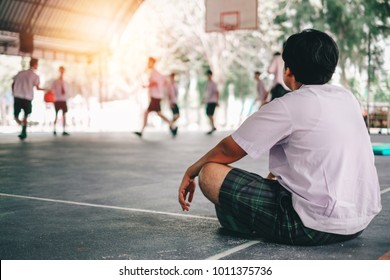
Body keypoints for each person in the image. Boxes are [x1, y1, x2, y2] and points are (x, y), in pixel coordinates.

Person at [178, 29, 382, 246]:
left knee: (211, 173)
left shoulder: (289, 105)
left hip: (310, 226)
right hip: (358, 222)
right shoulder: (346, 97)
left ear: (288, 71)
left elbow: (229, 149)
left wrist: (192, 170)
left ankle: (249, 221)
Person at [134, 57, 177, 138]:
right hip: (156, 96)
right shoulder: (155, 73)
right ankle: (172, 125)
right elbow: (163, 81)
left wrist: (146, 86)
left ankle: (141, 131)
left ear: (152, 63)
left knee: (147, 113)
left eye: (149, 62)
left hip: (155, 97)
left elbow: (155, 83)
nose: (147, 64)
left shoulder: (154, 73)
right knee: (158, 113)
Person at [12, 58, 46, 140]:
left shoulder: (20, 73)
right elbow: (37, 88)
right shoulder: (35, 76)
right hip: (27, 97)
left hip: (18, 96)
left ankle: (23, 130)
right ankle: (23, 128)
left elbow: (13, 84)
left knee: (16, 116)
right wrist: (47, 89)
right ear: (35, 65)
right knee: (25, 115)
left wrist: (14, 92)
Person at [51, 66, 70, 136]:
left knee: (64, 115)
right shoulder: (55, 82)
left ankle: (64, 130)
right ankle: (54, 129)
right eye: (61, 71)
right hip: (57, 100)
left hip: (63, 100)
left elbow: (66, 91)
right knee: (56, 115)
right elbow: (52, 90)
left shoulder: (65, 82)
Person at [203, 70, 219, 135]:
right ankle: (213, 126)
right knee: (208, 114)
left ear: (211, 75)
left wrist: (217, 101)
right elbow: (207, 93)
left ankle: (213, 126)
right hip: (208, 101)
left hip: (213, 101)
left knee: (210, 114)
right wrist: (204, 99)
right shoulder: (207, 83)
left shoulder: (213, 83)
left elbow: (217, 92)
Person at [166, 73, 180, 137]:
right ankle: (172, 125)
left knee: (177, 115)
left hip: (175, 101)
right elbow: (168, 95)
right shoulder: (169, 85)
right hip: (172, 102)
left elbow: (176, 93)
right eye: (172, 77)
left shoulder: (175, 84)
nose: (173, 78)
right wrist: (170, 103)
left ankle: (171, 125)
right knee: (176, 115)